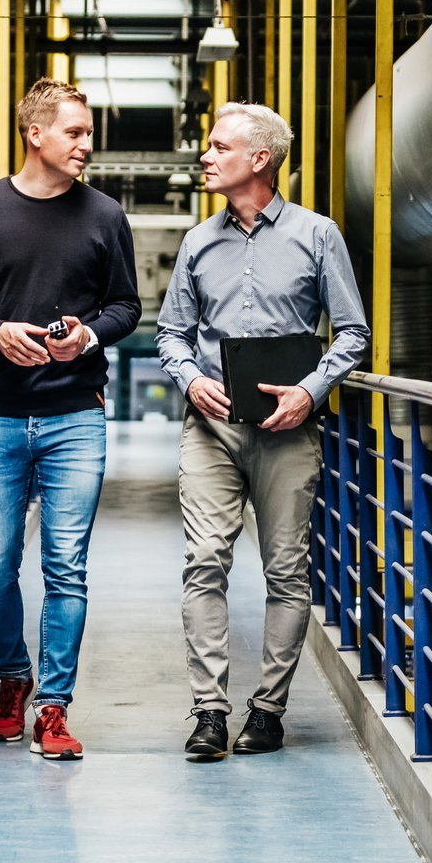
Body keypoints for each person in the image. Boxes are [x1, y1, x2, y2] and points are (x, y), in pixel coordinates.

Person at [0, 78, 140, 761]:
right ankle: (12, 679)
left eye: (87, 132)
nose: (86, 144)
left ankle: (53, 706)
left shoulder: (105, 215)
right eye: (74, 132)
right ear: (35, 134)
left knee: (66, 567)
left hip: (75, 414)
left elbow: (126, 306)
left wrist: (89, 337)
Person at [156, 101, 369, 760]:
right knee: (204, 563)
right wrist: (191, 378)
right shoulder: (197, 242)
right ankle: (210, 714)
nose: (206, 155)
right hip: (211, 429)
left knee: (286, 569)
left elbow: (353, 333)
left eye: (220, 147)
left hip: (287, 431)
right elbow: (171, 334)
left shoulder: (317, 236)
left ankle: (269, 712)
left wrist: (311, 390)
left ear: (260, 160)